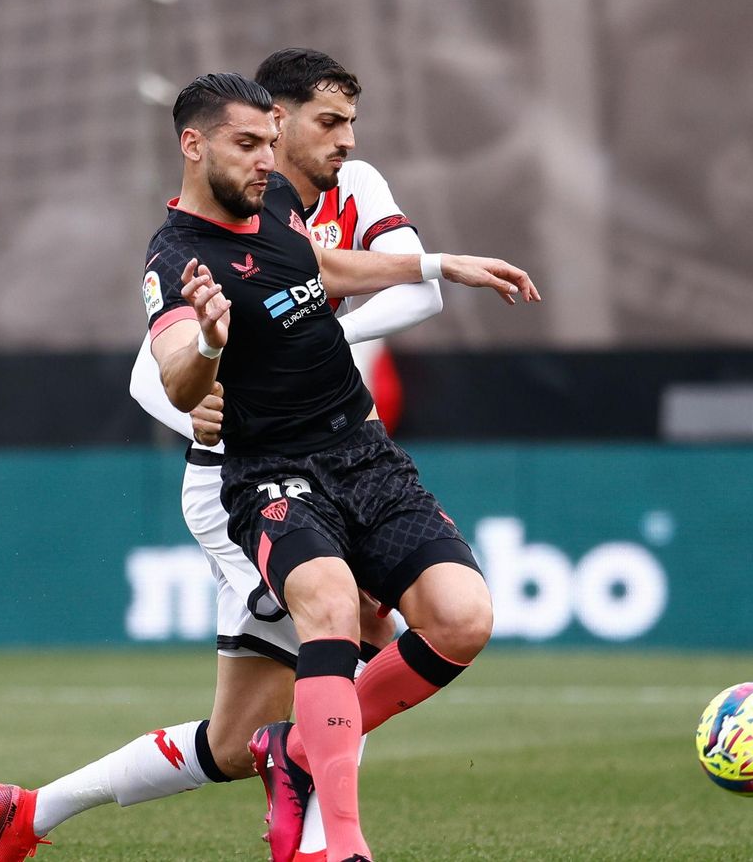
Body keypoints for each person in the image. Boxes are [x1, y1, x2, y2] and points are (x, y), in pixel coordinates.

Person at [0, 52, 479, 862]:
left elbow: (353, 278)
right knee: (349, 619)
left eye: (346, 125)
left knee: (239, 741)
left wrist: (419, 271)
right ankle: (328, 842)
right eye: (322, 124)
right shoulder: (182, 251)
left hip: (341, 449)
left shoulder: (314, 196)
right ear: (256, 126)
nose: (341, 141)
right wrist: (203, 377)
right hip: (244, 476)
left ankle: (30, 811)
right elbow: (158, 373)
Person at [145, 73, 534, 862]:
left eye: (269, 142)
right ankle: (345, 845)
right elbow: (177, 378)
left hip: (363, 450)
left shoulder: (276, 205)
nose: (266, 159)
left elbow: (321, 270)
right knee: (330, 607)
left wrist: (438, 265)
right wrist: (211, 343)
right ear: (194, 144)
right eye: (247, 144)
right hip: (271, 470)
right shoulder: (175, 257)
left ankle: (294, 748)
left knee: (463, 619)